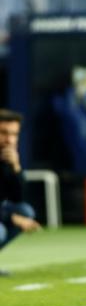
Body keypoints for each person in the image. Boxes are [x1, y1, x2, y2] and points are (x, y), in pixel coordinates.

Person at [0, 109, 41, 276]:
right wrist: (11, 217)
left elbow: (19, 199)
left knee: (25, 211)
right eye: (3, 133)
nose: (9, 140)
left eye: (14, 134)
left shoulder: (6, 158)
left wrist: (16, 169)